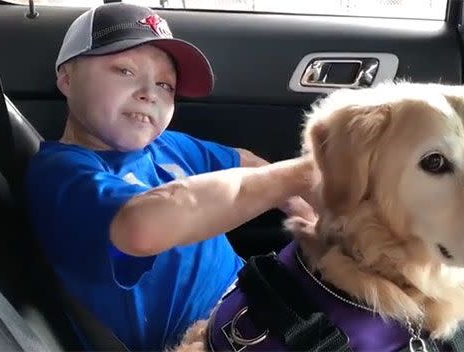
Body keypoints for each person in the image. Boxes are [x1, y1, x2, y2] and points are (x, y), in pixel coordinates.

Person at [23, 3, 316, 351]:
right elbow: (143, 226)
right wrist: (296, 174)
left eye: (165, 84)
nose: (150, 92)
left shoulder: (165, 145)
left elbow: (245, 162)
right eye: (124, 71)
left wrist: (309, 214)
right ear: (67, 78)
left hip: (257, 307)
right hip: (204, 340)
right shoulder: (62, 174)